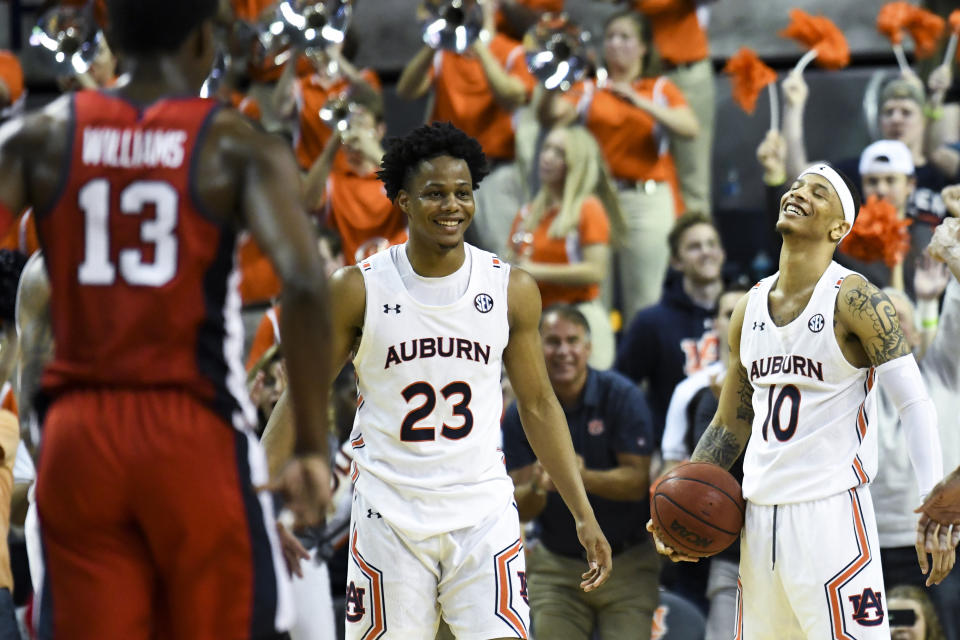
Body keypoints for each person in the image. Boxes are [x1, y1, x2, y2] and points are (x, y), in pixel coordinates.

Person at [0, 0, 336, 636]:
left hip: (78, 434)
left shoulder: (41, 135)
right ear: (202, 42)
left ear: (112, 43)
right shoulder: (234, 144)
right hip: (190, 427)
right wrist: (313, 447)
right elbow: (305, 285)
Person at [265, 121, 611, 638]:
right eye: (434, 193)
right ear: (403, 199)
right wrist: (259, 502)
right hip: (390, 512)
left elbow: (539, 406)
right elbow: (301, 400)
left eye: (463, 193)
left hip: (482, 512)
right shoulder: (357, 289)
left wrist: (583, 512)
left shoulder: (511, 287)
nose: (452, 205)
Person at [649, 163, 955, 638]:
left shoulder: (855, 297)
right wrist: (687, 497)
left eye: (818, 192)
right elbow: (731, 423)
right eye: (796, 186)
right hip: (759, 516)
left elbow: (915, 404)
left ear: (839, 227)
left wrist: (932, 503)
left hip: (830, 515)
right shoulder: (749, 306)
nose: (799, 193)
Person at [502, 304, 657, 639]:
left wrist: (573, 475)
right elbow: (521, 508)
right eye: (552, 342)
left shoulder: (622, 396)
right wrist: (541, 486)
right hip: (556, 567)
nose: (563, 351)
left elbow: (637, 483)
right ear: (537, 348)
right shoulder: (519, 414)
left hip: (627, 562)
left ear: (588, 348)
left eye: (572, 340)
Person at [538, 10, 699, 321]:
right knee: (596, 296)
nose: (615, 44)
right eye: (610, 37)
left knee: (645, 296)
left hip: (646, 201)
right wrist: (549, 80)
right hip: (598, 200)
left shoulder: (658, 88)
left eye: (625, 37)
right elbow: (550, 119)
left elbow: (690, 129)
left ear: (643, 48)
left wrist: (638, 101)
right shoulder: (588, 89)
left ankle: (642, 367)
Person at [871, 212, 960, 640]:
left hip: (940, 539)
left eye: (900, 314)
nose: (892, 321)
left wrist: (950, 263)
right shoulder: (850, 387)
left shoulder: (940, 371)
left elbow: (955, 319)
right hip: (866, 544)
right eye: (881, 315)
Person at [396, 0, 537, 258]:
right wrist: (435, 41)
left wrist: (478, 42)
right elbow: (406, 91)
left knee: (501, 256)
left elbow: (511, 97)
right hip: (445, 172)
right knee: (440, 255)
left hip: (493, 172)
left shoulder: (512, 51)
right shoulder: (444, 53)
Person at [506, 126, 624, 369]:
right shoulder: (527, 213)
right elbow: (511, 262)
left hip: (580, 319)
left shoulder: (588, 208)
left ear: (576, 162)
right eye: (546, 148)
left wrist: (534, 271)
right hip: (536, 322)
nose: (547, 156)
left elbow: (595, 271)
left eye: (559, 152)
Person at [615, 211, 724, 445]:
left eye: (711, 244)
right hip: (674, 453)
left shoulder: (746, 310)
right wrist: (644, 441)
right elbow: (620, 386)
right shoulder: (652, 321)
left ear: (722, 253)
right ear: (676, 261)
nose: (706, 252)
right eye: (694, 247)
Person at [301, 84, 407, 265]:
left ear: (380, 130)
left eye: (362, 125)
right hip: (354, 282)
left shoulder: (397, 175)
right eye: (350, 126)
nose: (355, 133)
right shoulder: (335, 182)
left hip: (400, 274)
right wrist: (333, 142)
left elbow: (420, 196)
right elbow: (306, 203)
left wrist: (372, 149)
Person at [631, 0, 716, 216]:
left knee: (693, 177)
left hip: (685, 70)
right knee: (639, 165)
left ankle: (696, 245)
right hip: (641, 74)